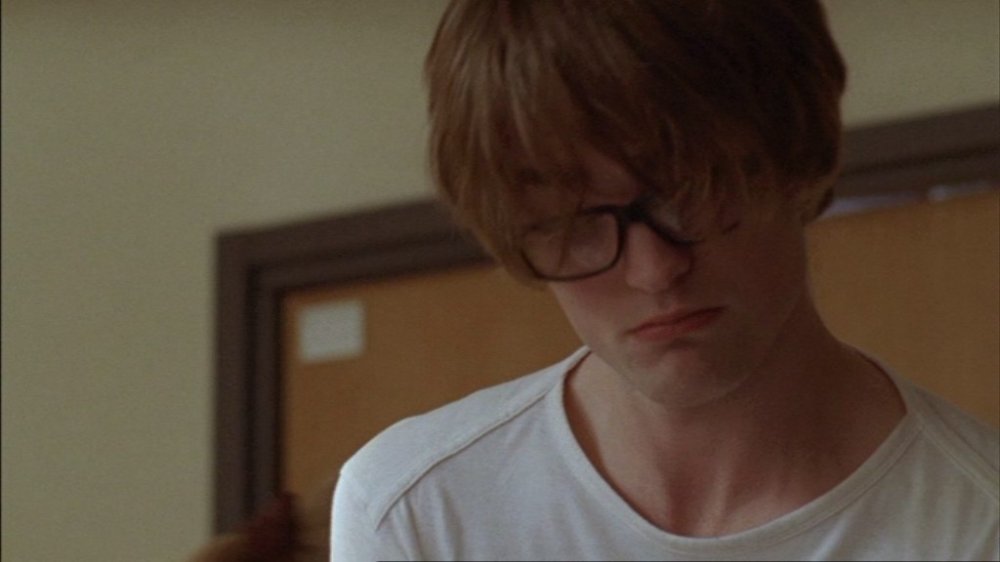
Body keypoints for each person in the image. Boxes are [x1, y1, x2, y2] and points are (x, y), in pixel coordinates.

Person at [331, 1, 1000, 559]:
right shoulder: (421, 510)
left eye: (693, 194)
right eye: (576, 222)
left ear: (796, 162)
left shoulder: (974, 519)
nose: (654, 272)